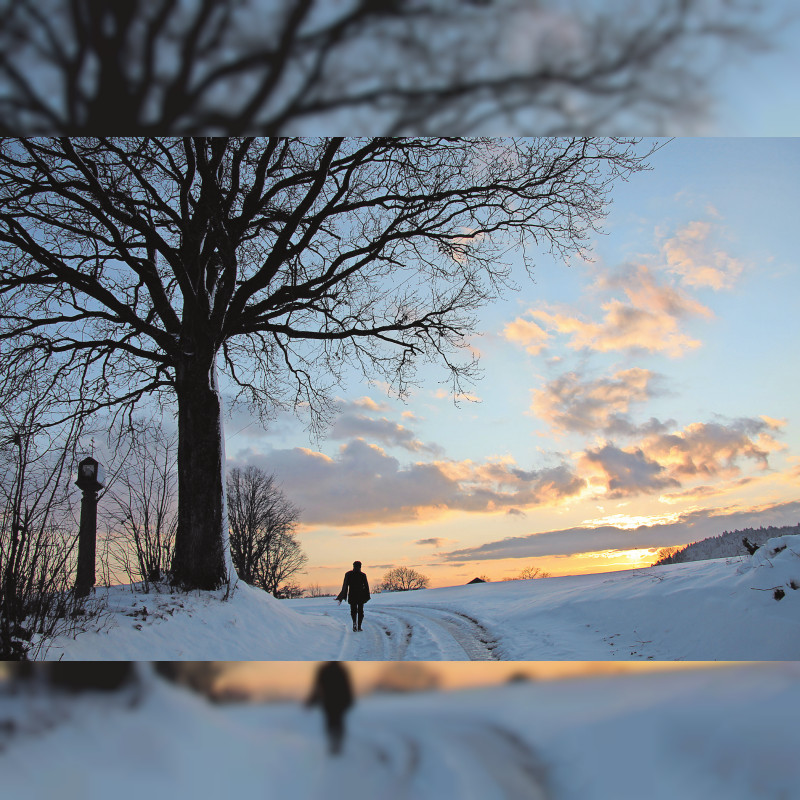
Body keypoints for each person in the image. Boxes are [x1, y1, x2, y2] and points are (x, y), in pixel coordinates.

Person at [306, 661, 354, 755]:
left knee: (331, 722)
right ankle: (336, 743)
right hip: (339, 701)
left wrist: (312, 700)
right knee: (338, 721)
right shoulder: (341, 669)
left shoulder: (325, 669)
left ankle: (334, 743)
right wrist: (349, 700)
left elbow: (317, 687)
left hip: (329, 702)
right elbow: (347, 687)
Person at [336, 560, 370, 631]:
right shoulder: (362, 575)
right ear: (360, 567)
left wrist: (342, 595)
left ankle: (354, 623)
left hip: (352, 595)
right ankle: (359, 626)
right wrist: (367, 596)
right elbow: (366, 587)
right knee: (360, 611)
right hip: (360, 595)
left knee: (353, 611)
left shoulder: (348, 574)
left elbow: (345, 586)